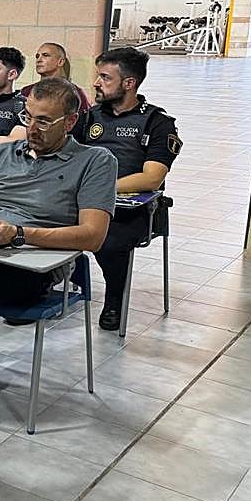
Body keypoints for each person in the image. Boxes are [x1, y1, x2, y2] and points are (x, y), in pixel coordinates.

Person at [0, 78, 117, 373]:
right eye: (27, 117)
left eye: (44, 121)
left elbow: (93, 237)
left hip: (34, 261)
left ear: (70, 122)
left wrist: (18, 235)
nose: (32, 128)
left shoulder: (95, 162)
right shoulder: (2, 153)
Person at [76, 47, 181, 331]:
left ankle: (114, 298)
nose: (96, 83)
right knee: (40, 219)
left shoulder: (158, 123)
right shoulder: (89, 117)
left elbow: (151, 179)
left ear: (129, 83)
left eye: (105, 77)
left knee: (108, 241)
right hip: (84, 201)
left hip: (132, 210)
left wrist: (100, 188)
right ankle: (44, 284)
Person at [22, 42, 90, 117]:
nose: (39, 60)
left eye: (45, 55)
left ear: (60, 62)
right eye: (37, 56)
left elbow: (83, 120)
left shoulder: (75, 93)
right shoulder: (27, 91)